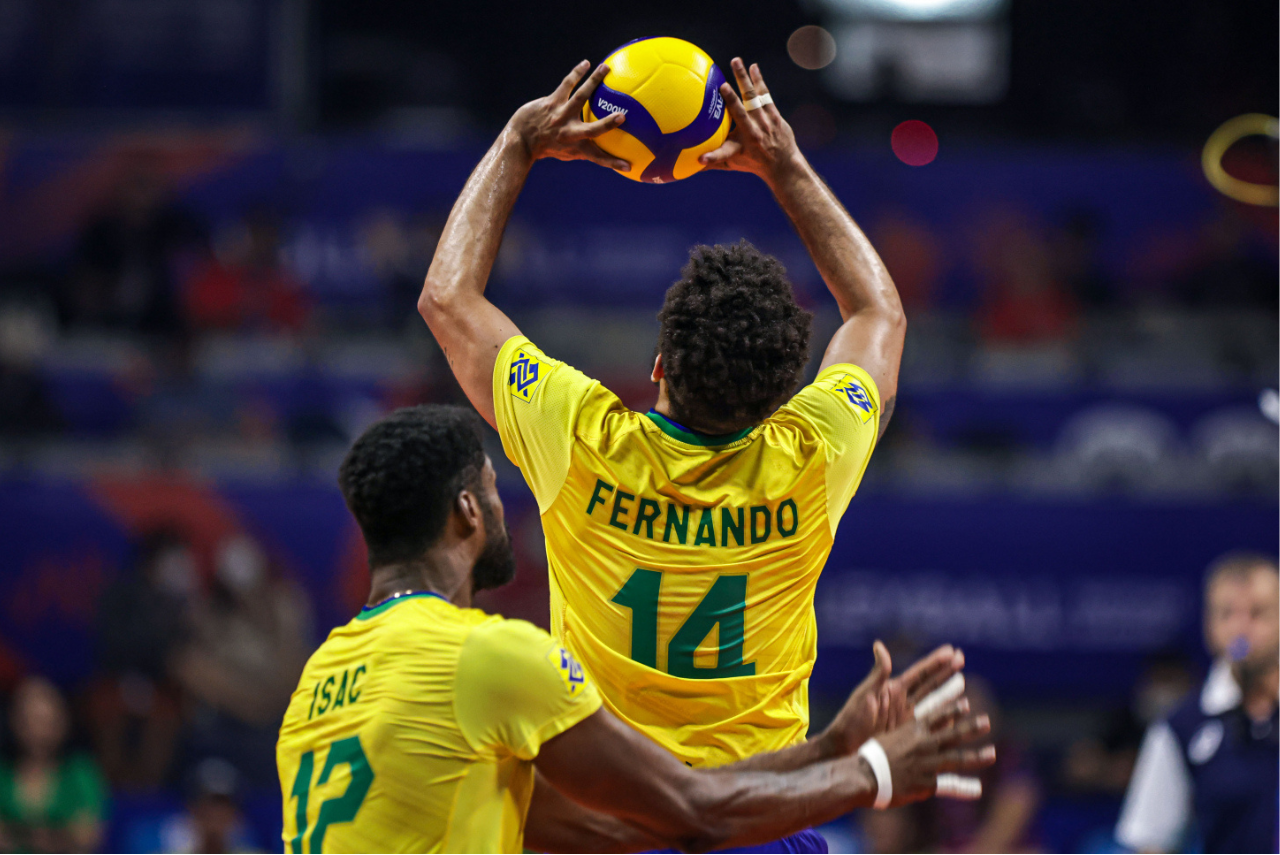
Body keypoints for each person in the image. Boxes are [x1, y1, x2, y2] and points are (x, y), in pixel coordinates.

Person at [418, 57, 907, 850]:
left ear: (658, 366)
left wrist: (518, 141)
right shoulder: (814, 454)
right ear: (782, 397)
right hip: (763, 819)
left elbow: (448, 299)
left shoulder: (581, 439)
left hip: (609, 823)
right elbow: (877, 311)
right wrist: (784, 165)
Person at [276, 405, 994, 853]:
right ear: (467, 510)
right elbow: (691, 814)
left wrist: (827, 747)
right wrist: (872, 773)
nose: (504, 509)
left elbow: (625, 824)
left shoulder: (319, 682)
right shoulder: (484, 655)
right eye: (495, 490)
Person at [1116, 553, 1279, 852]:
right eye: (1227, 614)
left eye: (1257, 613)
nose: (1241, 628)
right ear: (1209, 624)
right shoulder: (1181, 727)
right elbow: (1151, 841)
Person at [0, 676, 107, 853]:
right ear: (14, 721)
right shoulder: (3, 773)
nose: (37, 731)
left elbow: (87, 838)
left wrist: (17, 832)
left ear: (62, 722)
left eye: (46, 722)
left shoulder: (80, 773)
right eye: (29, 721)